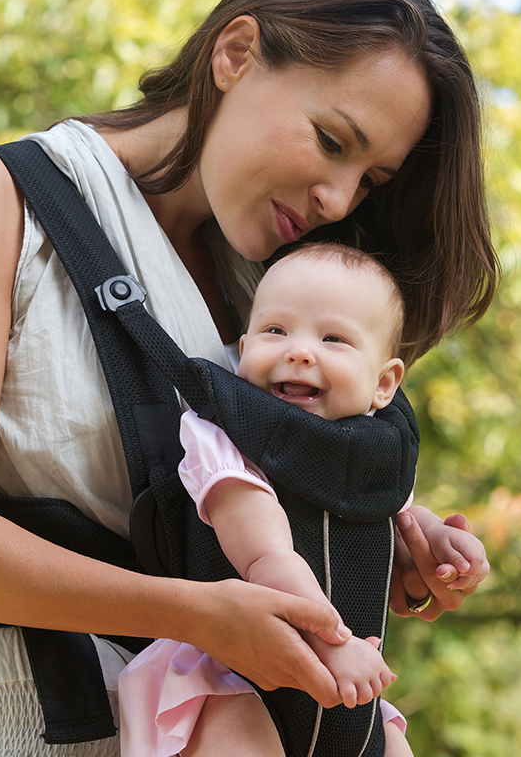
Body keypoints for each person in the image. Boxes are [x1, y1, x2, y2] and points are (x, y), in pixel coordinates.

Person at [0, 0, 499, 753]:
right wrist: (192, 613)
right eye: (331, 141)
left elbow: (250, 496)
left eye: (369, 181)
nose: (337, 197)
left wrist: (371, 538)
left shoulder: (276, 291)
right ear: (235, 55)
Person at [118, 243, 486, 757]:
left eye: (332, 338)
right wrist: (335, 641)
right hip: (233, 676)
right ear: (243, 349)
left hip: (345, 681)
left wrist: (441, 543)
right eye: (276, 331)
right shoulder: (224, 438)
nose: (299, 350)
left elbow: (395, 520)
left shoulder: (371, 454)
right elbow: (268, 556)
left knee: (396, 747)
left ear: (383, 384)